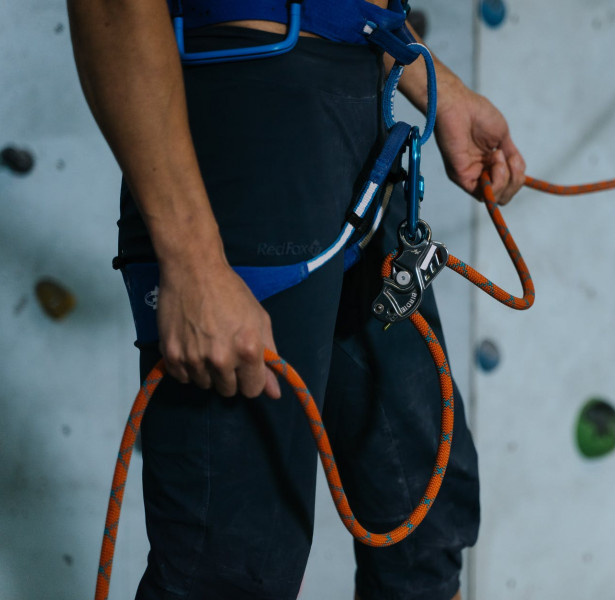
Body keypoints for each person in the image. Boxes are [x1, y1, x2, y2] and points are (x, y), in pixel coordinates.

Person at [67, 1, 526, 598]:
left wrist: (439, 85)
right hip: (250, 118)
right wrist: (193, 260)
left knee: (423, 513)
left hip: (358, 109)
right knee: (231, 567)